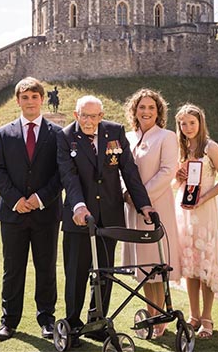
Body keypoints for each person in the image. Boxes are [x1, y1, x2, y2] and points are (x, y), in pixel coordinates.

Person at [56, 95, 154, 343]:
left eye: (94, 116)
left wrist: (143, 204)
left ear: (101, 116)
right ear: (76, 115)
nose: (89, 121)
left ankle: (97, 321)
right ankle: (73, 325)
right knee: (77, 273)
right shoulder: (66, 136)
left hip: (110, 216)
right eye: (84, 116)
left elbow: (129, 170)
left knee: (105, 273)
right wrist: (79, 206)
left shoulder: (115, 131)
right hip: (79, 219)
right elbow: (69, 176)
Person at [0, 77, 62, 342]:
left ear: (42, 99)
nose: (30, 102)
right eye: (25, 97)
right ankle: (9, 322)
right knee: (13, 269)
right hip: (12, 214)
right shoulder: (4, 133)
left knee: (46, 268)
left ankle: (47, 320)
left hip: (46, 212)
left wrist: (40, 198)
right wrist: (16, 200)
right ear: (17, 101)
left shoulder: (56, 134)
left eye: (34, 97)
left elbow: (61, 172)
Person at [120, 89, 180, 338]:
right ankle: (151, 314)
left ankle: (162, 316)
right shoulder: (126, 137)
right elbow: (118, 171)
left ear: (159, 112)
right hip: (131, 209)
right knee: (143, 269)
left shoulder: (167, 137)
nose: (146, 111)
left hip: (156, 206)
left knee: (157, 263)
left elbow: (167, 171)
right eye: (141, 107)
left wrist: (141, 198)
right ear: (134, 110)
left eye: (151, 108)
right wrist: (127, 195)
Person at [174, 104, 218, 339]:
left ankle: (207, 318)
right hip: (186, 211)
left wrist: (204, 199)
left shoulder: (211, 147)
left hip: (205, 210)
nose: (188, 127)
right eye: (183, 123)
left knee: (206, 262)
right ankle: (194, 315)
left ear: (200, 123)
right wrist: (178, 178)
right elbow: (177, 184)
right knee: (190, 264)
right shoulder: (181, 148)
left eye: (192, 123)